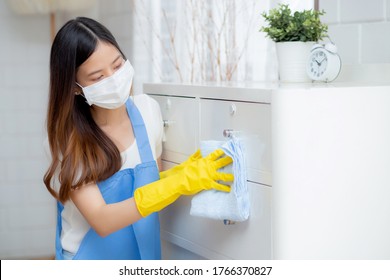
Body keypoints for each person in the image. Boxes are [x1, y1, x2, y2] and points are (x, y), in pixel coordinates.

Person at [43, 17, 234, 260]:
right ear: (75, 87)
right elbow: (102, 219)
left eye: (117, 65)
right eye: (98, 77)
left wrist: (182, 174)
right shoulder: (68, 138)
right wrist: (177, 183)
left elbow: (150, 192)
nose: (114, 78)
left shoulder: (148, 112)